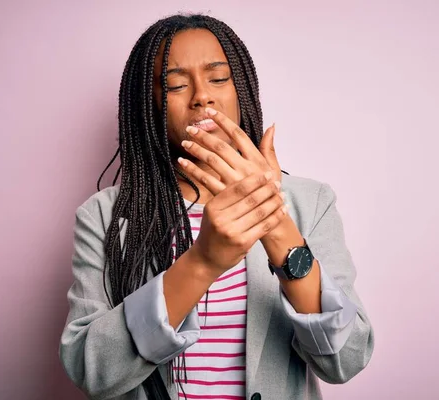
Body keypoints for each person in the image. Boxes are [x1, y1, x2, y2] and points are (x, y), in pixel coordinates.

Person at [59, 14, 374, 400]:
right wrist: (204, 261)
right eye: (175, 84)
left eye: (218, 78)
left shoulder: (311, 202)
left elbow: (346, 359)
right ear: (147, 104)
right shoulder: (105, 216)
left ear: (241, 88)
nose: (201, 96)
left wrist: (274, 223)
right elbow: (91, 370)